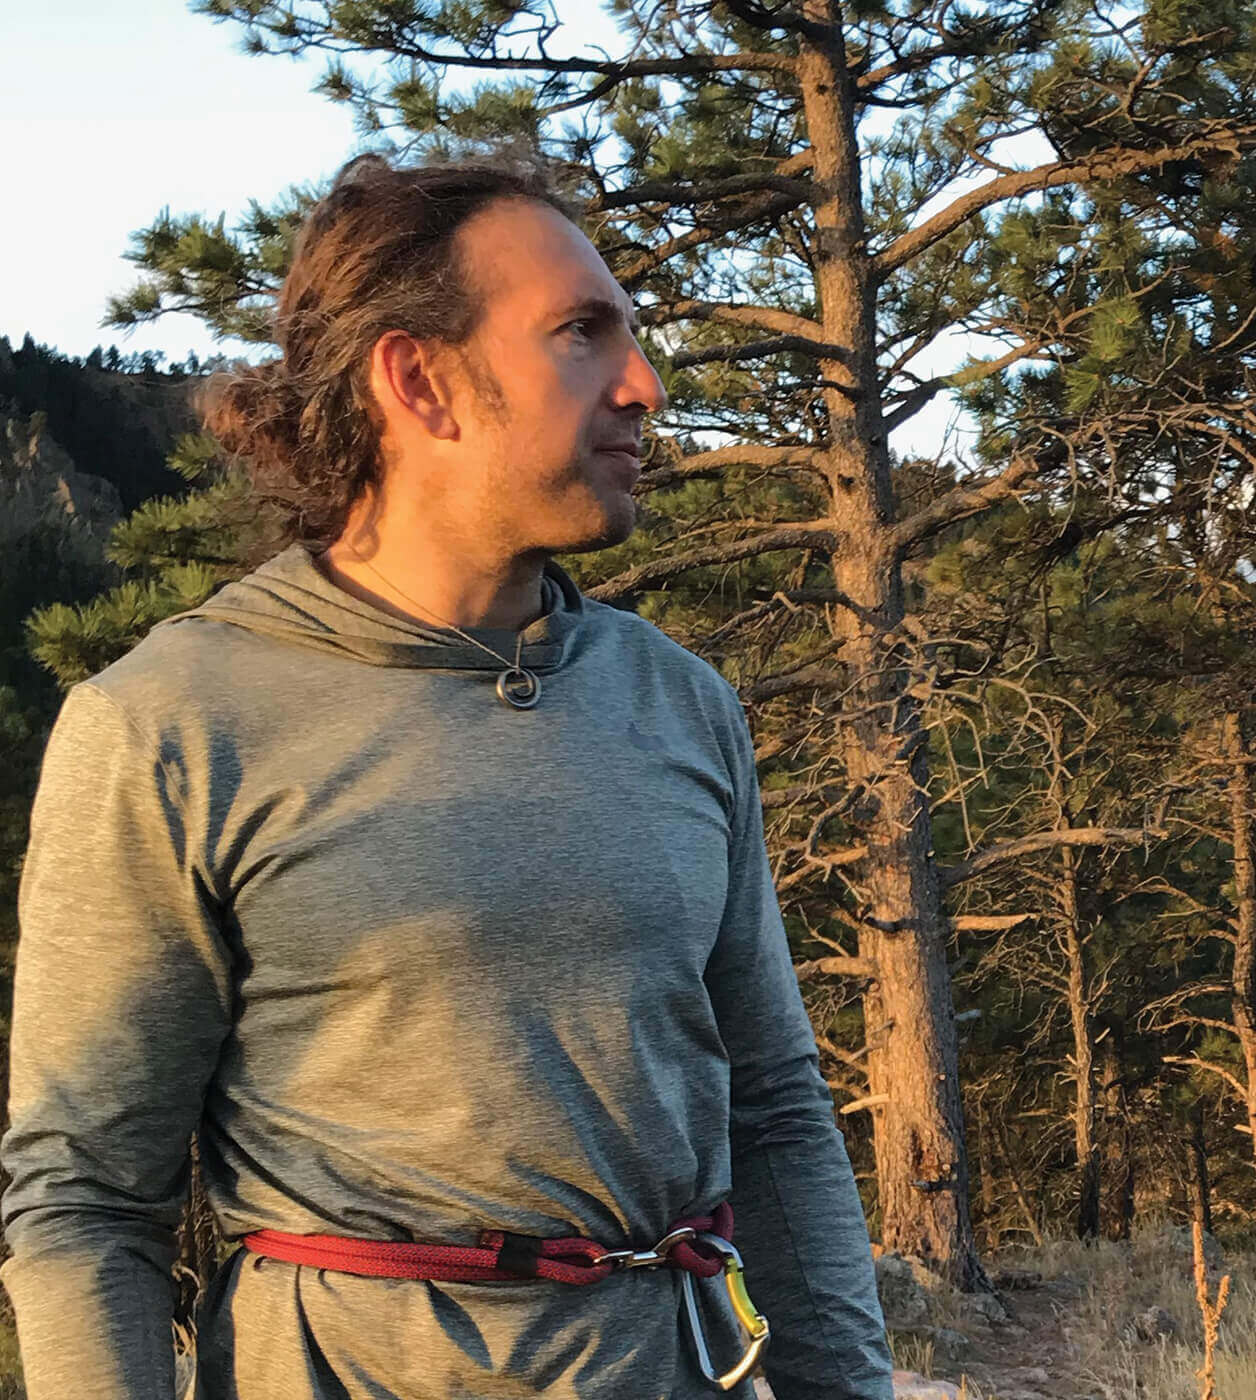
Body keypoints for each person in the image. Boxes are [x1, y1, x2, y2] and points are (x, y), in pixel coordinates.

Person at [0, 154, 893, 1399]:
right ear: (419, 379)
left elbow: (780, 1113)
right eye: (582, 335)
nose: (643, 383)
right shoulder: (171, 723)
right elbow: (87, 1196)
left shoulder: (679, 701)